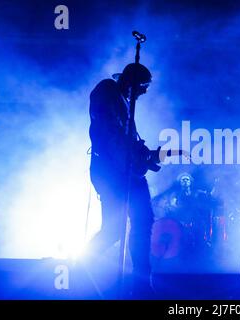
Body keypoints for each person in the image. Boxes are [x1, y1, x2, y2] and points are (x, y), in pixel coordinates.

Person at [87, 62, 154, 297]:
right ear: (132, 82)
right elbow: (110, 135)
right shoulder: (107, 92)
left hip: (126, 171)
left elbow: (126, 138)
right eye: (143, 86)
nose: (145, 92)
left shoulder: (126, 103)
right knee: (114, 230)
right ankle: (81, 267)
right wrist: (135, 157)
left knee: (143, 221)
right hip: (112, 172)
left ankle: (142, 283)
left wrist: (143, 155)